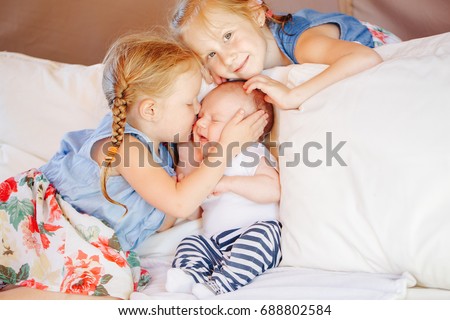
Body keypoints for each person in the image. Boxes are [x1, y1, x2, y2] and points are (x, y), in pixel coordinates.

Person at [0, 32, 268, 299]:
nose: (198, 109)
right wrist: (225, 148)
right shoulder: (126, 148)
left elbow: (167, 215)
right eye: (190, 102)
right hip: (37, 223)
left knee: (115, 289)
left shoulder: (160, 149)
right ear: (151, 110)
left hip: (77, 240)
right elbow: (180, 204)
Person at [165, 81, 281, 299]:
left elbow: (272, 189)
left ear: (248, 130)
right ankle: (191, 274)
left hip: (250, 233)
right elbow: (195, 211)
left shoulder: (250, 153)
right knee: (191, 242)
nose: (200, 125)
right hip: (215, 243)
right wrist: (183, 186)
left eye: (214, 120)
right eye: (200, 118)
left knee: (267, 234)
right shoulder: (204, 167)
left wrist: (228, 183)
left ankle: (221, 283)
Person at [170, 0, 401, 110]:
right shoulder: (235, 62)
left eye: (228, 36)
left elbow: (365, 58)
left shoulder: (300, 41)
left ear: (256, 15)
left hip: (372, 42)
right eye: (211, 54)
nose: (227, 58)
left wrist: (294, 96)